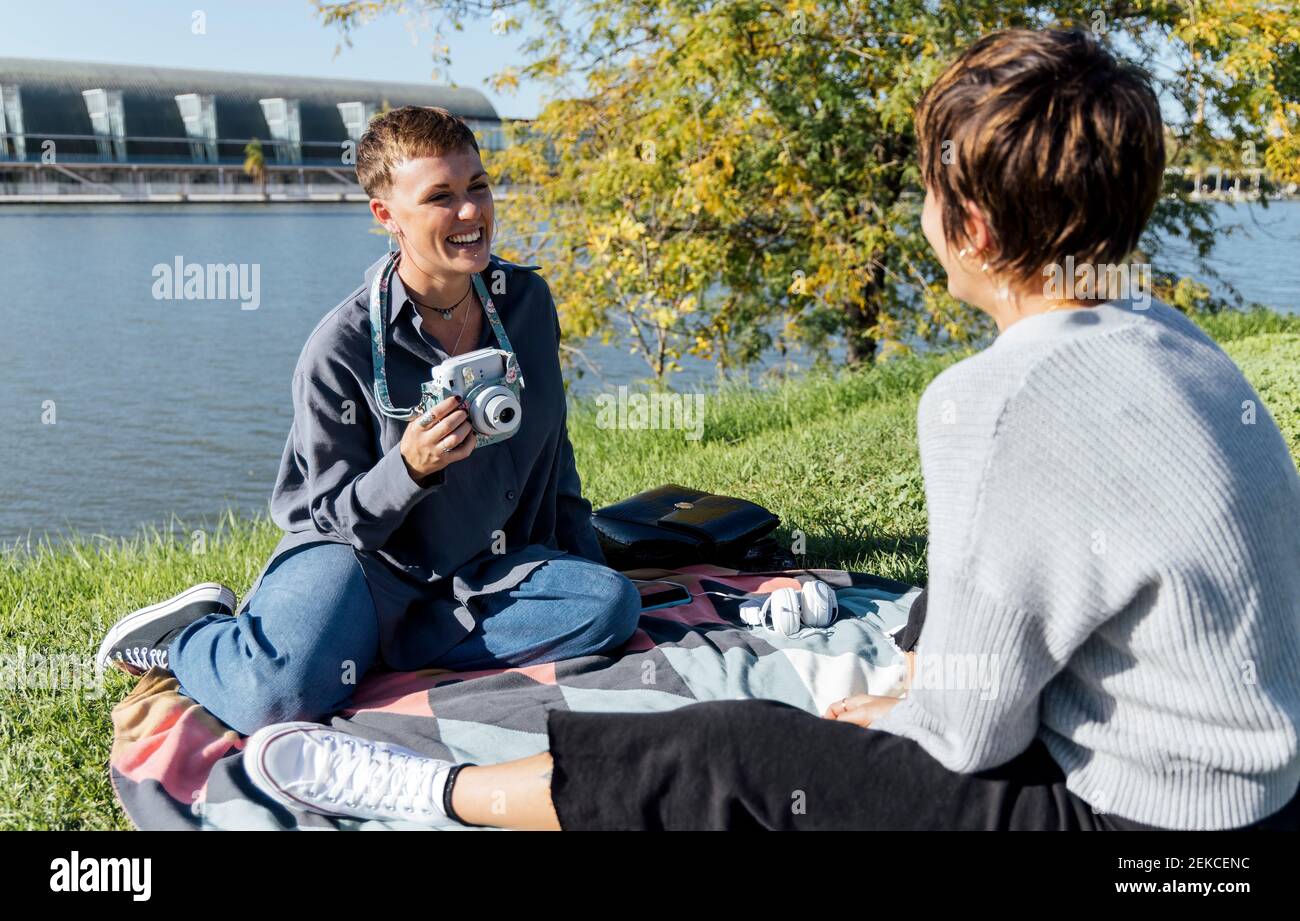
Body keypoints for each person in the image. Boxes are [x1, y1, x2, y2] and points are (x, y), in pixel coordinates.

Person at [241, 29, 1300, 830]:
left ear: (967, 227)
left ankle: (439, 792)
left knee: (731, 748)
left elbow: (970, 737)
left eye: (927, 192)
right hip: (1245, 786)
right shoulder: (1176, 340)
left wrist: (883, 721)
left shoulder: (996, 399)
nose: (473, 212)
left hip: (1149, 829)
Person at [97, 106, 642, 736]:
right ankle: (189, 637)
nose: (471, 212)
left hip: (486, 570)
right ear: (387, 216)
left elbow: (555, 457)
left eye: (478, 186)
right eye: (441, 197)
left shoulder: (524, 303)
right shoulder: (341, 348)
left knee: (608, 607)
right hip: (361, 564)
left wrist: (585, 561)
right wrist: (409, 468)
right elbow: (330, 516)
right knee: (276, 702)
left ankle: (367, 650)